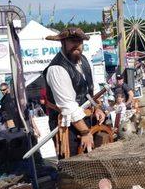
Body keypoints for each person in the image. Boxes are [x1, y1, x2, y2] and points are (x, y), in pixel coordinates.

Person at [43, 27, 106, 157]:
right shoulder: (57, 68)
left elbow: (89, 90)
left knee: (95, 162)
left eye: (80, 41)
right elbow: (68, 106)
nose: (77, 44)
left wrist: (97, 108)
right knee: (74, 167)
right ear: (63, 42)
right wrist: (84, 132)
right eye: (72, 41)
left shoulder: (83, 60)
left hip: (87, 119)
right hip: (68, 126)